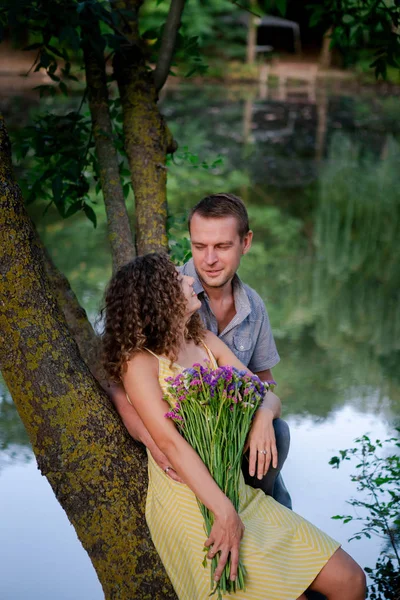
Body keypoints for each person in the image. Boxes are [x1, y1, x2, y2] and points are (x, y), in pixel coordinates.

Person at [102, 252, 366, 600]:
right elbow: (170, 443)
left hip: (237, 490)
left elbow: (268, 394)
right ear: (158, 297)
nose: (190, 280)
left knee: (351, 582)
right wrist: (224, 512)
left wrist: (262, 418)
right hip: (191, 499)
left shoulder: (205, 342)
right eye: (178, 280)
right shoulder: (140, 363)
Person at [179, 192, 291, 508]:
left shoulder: (253, 307)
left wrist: (262, 416)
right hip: (190, 444)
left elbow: (264, 381)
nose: (209, 259)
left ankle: (267, 516)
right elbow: (120, 372)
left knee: (277, 436)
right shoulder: (167, 292)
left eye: (223, 246)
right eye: (200, 246)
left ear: (246, 243)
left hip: (238, 439)